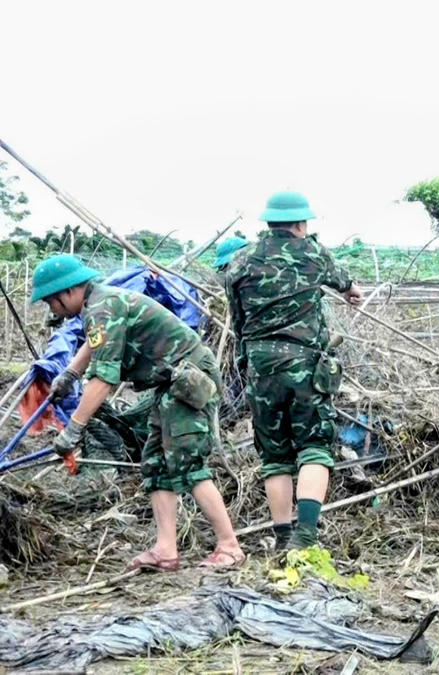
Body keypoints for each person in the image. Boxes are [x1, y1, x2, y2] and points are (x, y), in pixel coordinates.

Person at [35, 254, 244, 570]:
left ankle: (229, 546)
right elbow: (95, 345)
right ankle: (165, 550)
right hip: (168, 384)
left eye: (52, 302)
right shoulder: (99, 305)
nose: (53, 311)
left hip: (189, 380)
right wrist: (69, 375)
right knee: (157, 465)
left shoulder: (104, 306)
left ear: (66, 292)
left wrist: (74, 428)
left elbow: (104, 379)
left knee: (187, 463)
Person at [224, 191, 364, 550]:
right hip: (305, 366)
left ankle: (282, 537)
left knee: (275, 456)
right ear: (301, 224)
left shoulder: (240, 261)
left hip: (260, 367)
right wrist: (351, 293)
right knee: (315, 447)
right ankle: (305, 537)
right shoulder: (314, 253)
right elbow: (347, 285)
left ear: (269, 222)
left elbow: (238, 322)